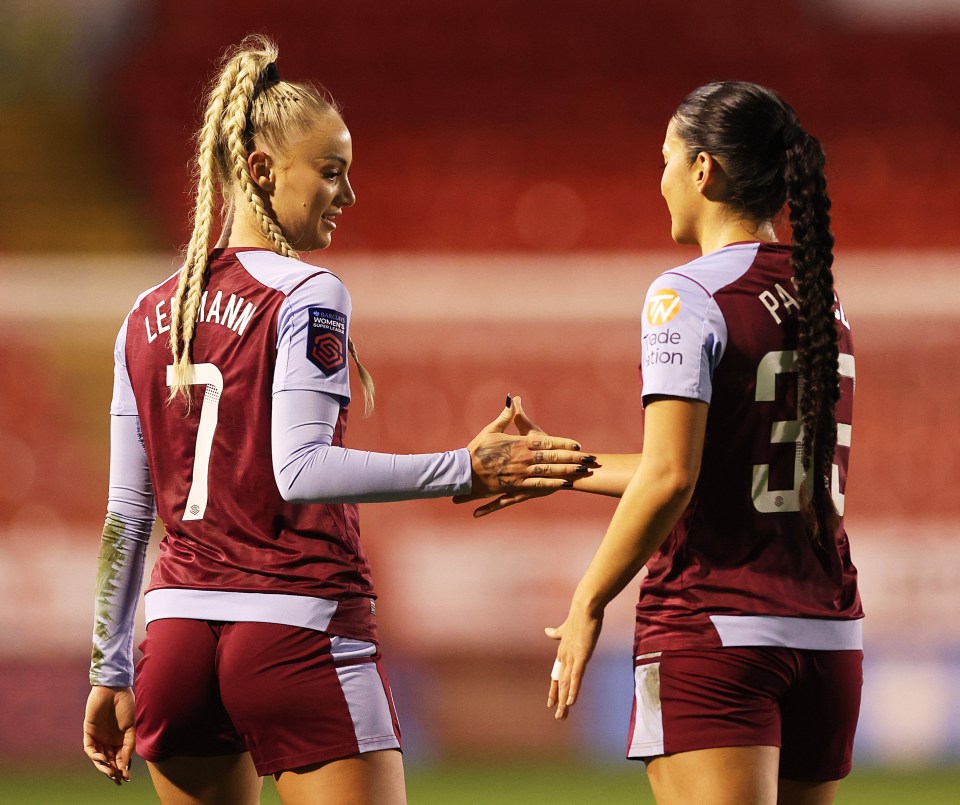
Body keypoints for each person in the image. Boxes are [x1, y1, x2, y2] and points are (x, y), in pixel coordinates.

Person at [82, 35, 590, 805]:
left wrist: (109, 666)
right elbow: (302, 469)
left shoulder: (147, 314)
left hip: (175, 638)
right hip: (295, 626)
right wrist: (467, 467)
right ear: (260, 171)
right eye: (331, 172)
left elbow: (127, 515)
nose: (348, 196)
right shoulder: (307, 291)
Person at [478, 81, 861, 805]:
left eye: (665, 159)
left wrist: (589, 600)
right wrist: (562, 466)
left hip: (714, 630)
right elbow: (697, 468)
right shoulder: (823, 299)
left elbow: (671, 477)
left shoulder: (687, 293)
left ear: (703, 170)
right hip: (825, 634)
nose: (660, 181)